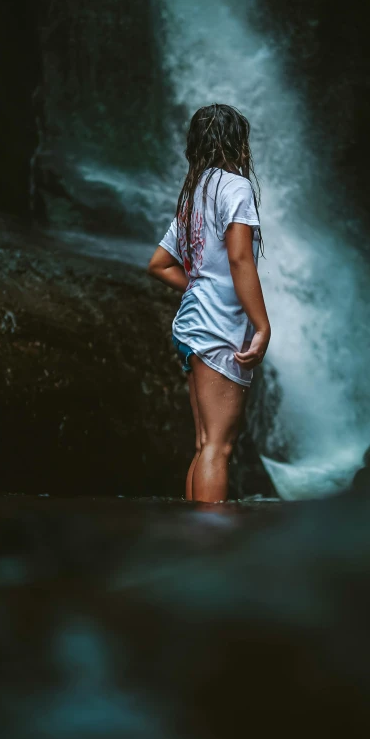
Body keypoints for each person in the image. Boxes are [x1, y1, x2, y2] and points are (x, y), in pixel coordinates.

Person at [147, 104, 270, 503]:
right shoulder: (235, 187)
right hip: (219, 327)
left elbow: (159, 264)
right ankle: (212, 547)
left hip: (191, 326)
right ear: (238, 143)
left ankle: (194, 541)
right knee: (220, 446)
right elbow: (239, 257)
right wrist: (262, 325)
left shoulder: (193, 194)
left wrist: (198, 285)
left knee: (204, 444)